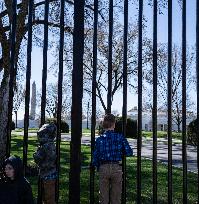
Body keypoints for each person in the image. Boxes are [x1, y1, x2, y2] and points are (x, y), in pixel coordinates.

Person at [92, 113, 133, 204]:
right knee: (116, 196)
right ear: (114, 124)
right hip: (116, 167)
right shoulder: (120, 137)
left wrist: (96, 166)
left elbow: (95, 156)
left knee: (103, 196)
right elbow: (129, 152)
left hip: (104, 167)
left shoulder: (100, 139)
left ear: (104, 124)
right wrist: (119, 151)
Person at [33, 123, 57, 204]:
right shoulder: (49, 145)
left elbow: (38, 158)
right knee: (45, 197)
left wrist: (36, 154)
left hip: (48, 174)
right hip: (47, 174)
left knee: (49, 198)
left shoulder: (47, 146)